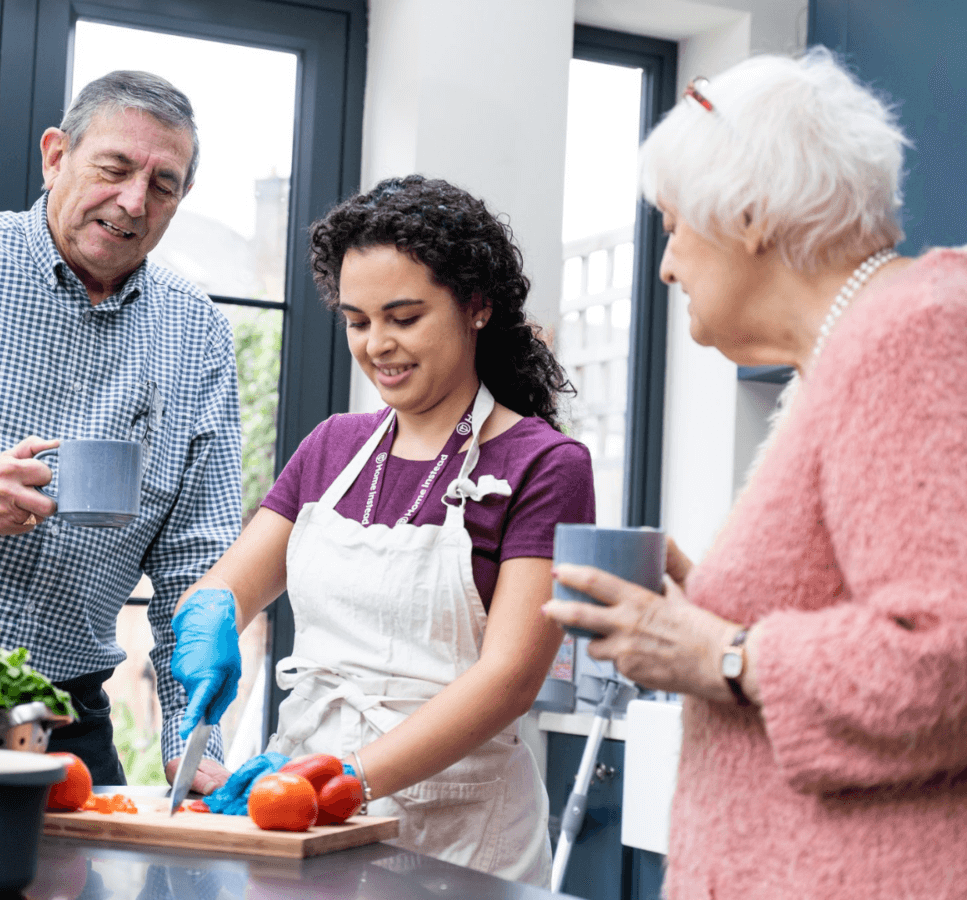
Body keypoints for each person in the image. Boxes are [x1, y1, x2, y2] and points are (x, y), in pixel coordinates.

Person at [542, 47, 967, 900]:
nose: (666, 265)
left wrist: (725, 655)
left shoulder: (913, 335)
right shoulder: (848, 354)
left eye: (671, 225)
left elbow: (947, 657)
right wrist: (702, 617)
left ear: (745, 215)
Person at [170, 175, 595, 885]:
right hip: (301, 810)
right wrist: (209, 615)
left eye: (403, 317)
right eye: (358, 320)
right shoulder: (333, 447)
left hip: (458, 834)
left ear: (477, 306)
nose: (377, 346)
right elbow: (229, 584)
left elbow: (509, 678)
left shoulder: (545, 465)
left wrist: (346, 778)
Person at [0, 71, 242, 789]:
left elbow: (197, 564)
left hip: (67, 719)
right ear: (56, 156)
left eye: (163, 185)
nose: (133, 202)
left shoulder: (200, 334)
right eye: (114, 169)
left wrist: (195, 740)